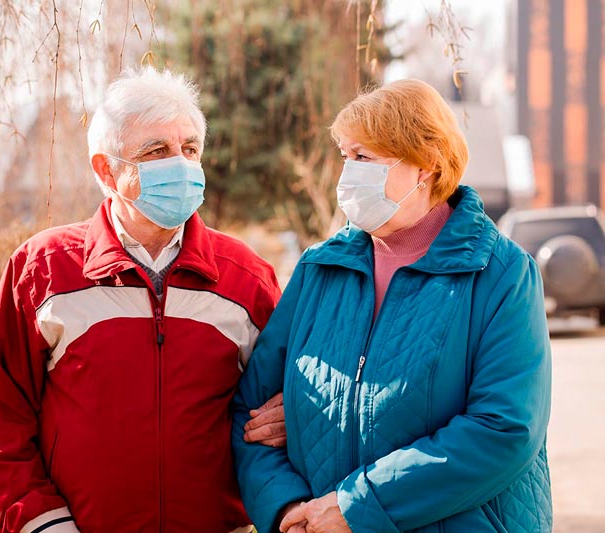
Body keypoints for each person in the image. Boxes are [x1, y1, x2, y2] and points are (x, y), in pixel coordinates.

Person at [0, 67, 287, 533]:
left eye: (189, 149)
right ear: (106, 169)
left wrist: (290, 420)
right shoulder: (43, 269)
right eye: (157, 151)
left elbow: (284, 403)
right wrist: (42, 521)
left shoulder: (246, 277)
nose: (181, 165)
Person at [232, 79, 552, 533]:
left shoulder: (501, 274)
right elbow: (250, 414)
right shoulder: (319, 269)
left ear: (427, 165)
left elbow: (504, 429)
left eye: (364, 157)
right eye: (345, 155)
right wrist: (288, 510)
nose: (348, 174)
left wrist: (353, 508)